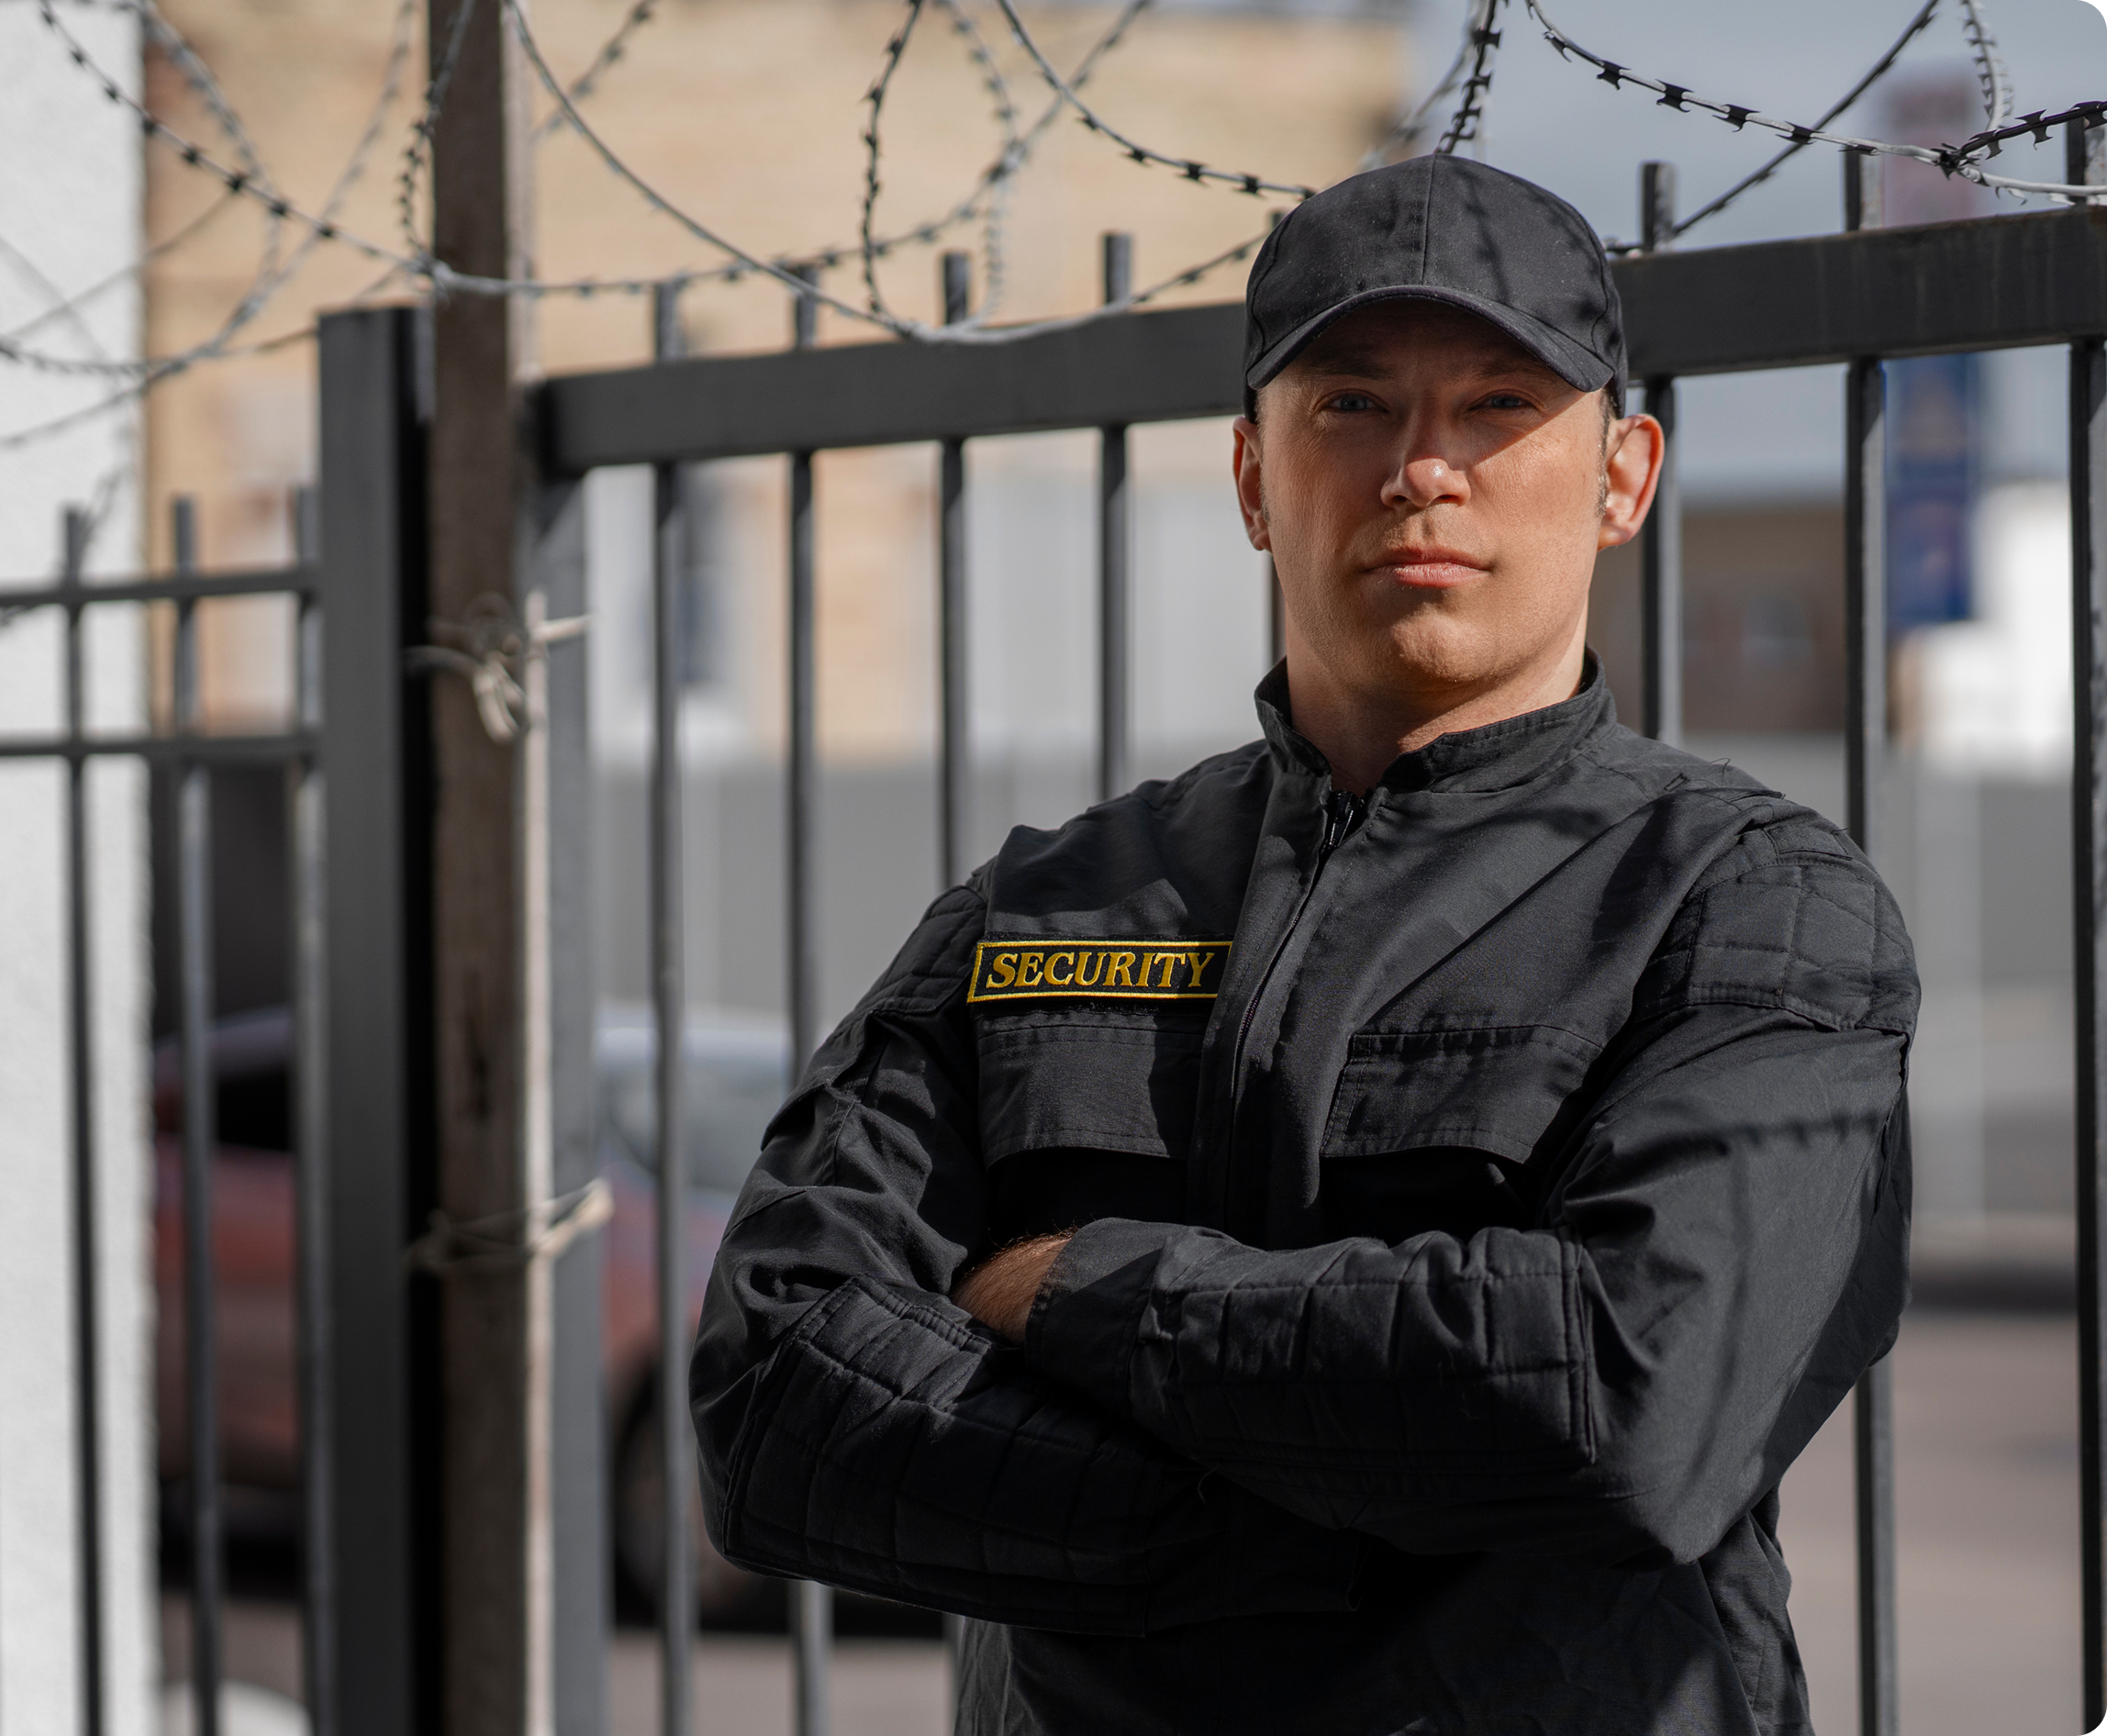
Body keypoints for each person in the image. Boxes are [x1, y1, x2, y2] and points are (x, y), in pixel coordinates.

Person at [690, 154, 1915, 1736]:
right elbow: (773, 1401)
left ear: (1623, 477)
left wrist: (1076, 1289)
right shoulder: (1049, 907)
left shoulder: (1745, 906)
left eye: (1494, 405)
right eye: (1351, 406)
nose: (1423, 468)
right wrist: (1358, 1524)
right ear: (1257, 479)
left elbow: (1629, 1398)